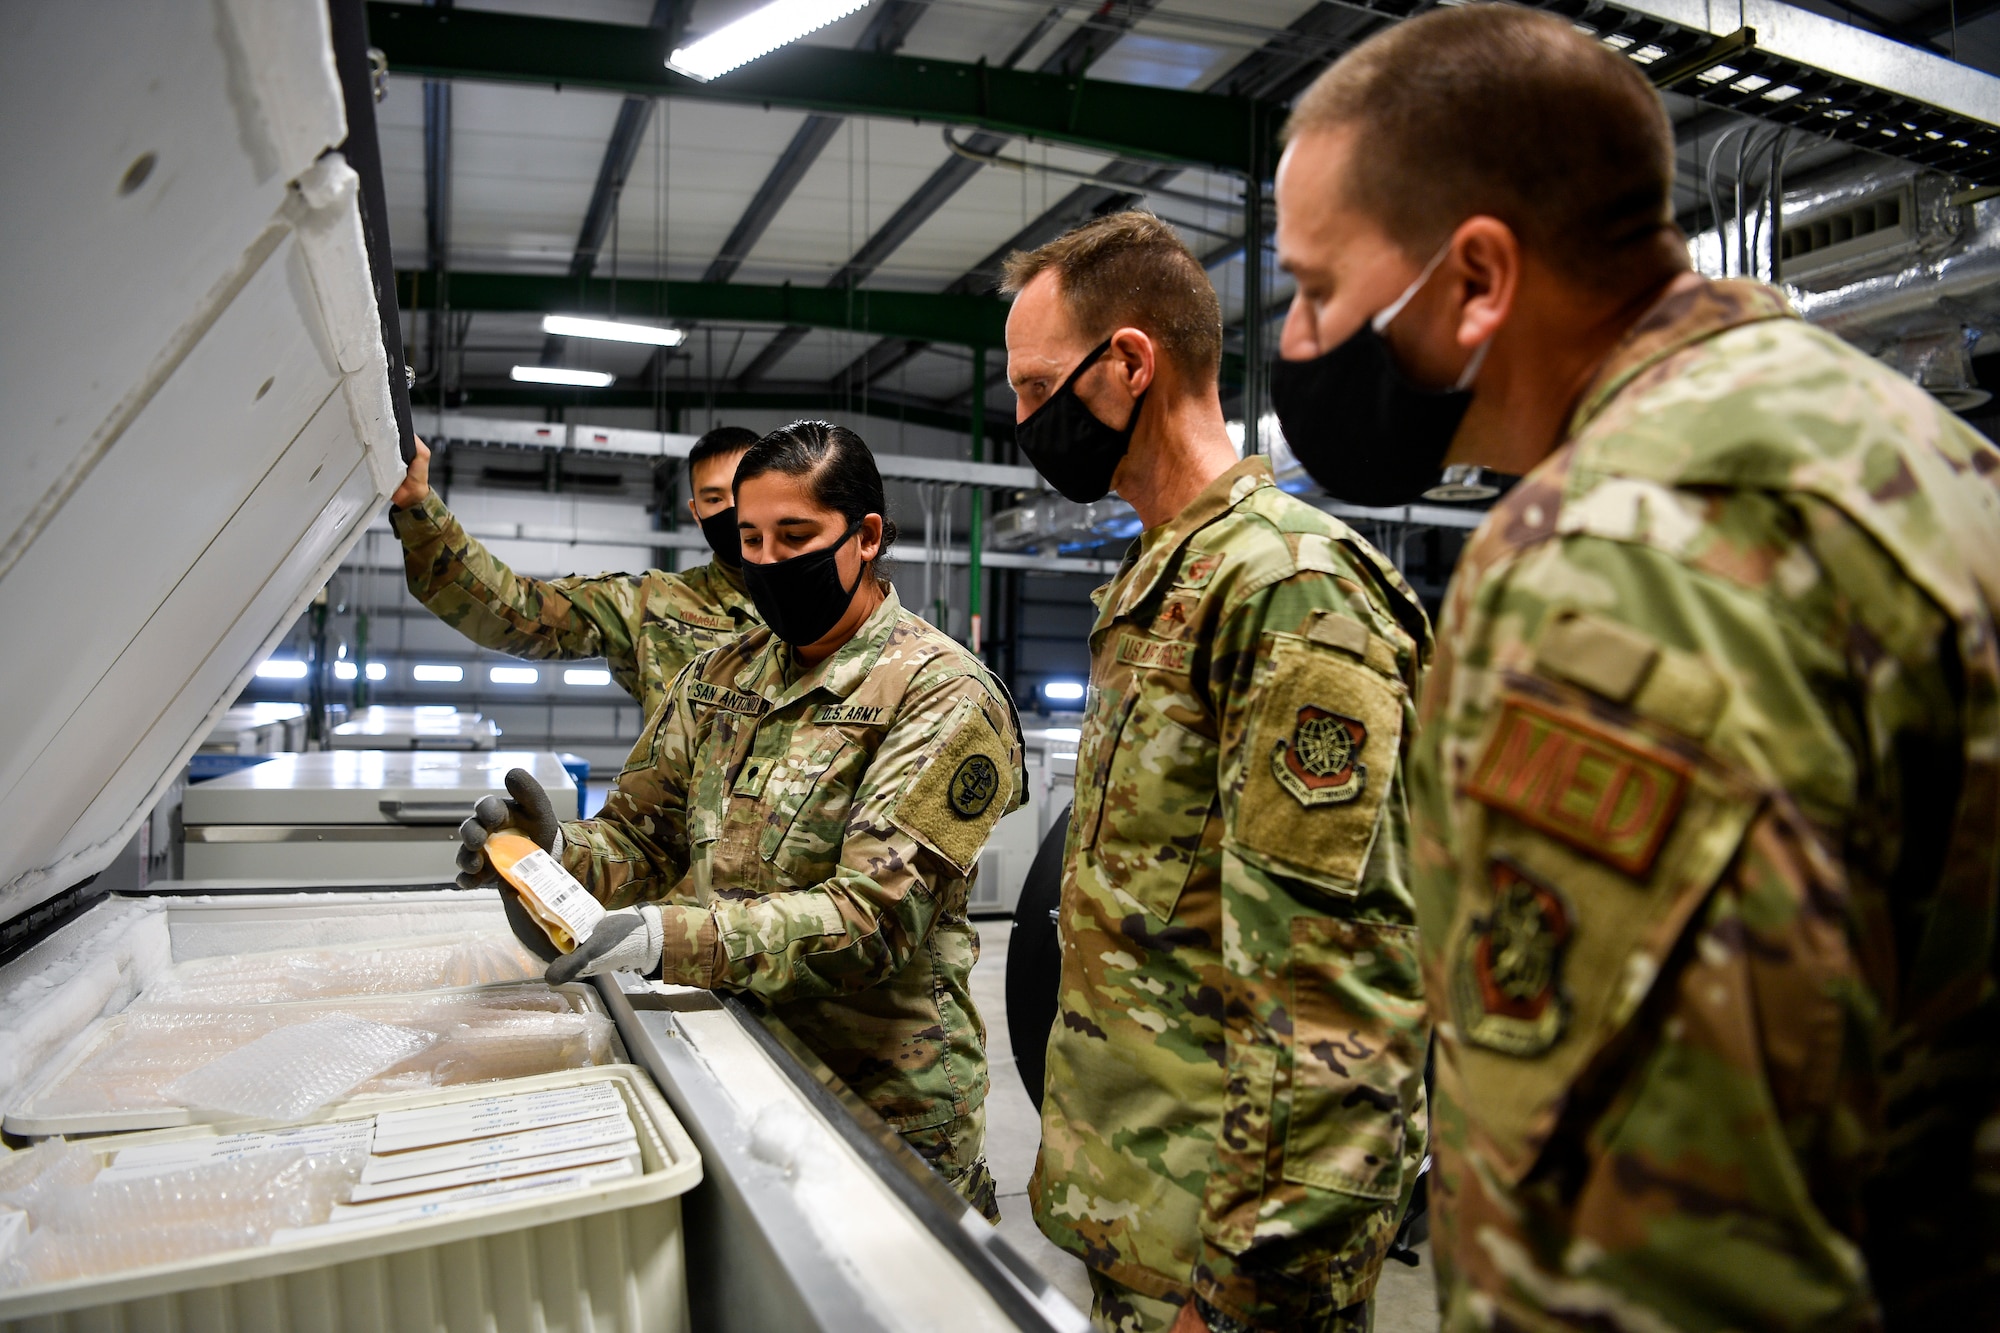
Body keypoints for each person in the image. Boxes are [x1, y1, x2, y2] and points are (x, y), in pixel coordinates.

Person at [1272, 7, 2000, 1329]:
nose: (1304, 340)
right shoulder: (1927, 458)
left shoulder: (1606, 561)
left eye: (1321, 289)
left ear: (1477, 278)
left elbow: (1643, 1265)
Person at [1009, 211, 1432, 1333]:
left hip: (1227, 1279)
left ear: (1129, 364)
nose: (1021, 420)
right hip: (1142, 1236)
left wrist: (1241, 1300)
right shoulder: (1161, 588)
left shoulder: (1287, 591)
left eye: (1035, 384)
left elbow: (1332, 1017)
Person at [455, 421, 1025, 1219]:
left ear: (864, 537)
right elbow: (640, 839)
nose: (769, 563)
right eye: (750, 538)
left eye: (796, 536)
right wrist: (545, 856)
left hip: (882, 1106)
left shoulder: (941, 693)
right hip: (727, 1054)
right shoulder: (721, 675)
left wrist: (669, 937)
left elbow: (873, 920)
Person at [388, 424, 763, 718]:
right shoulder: (652, 604)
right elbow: (521, 610)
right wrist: (421, 508)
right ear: (696, 513)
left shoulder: (820, 597)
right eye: (715, 499)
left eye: (742, 491)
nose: (732, 509)